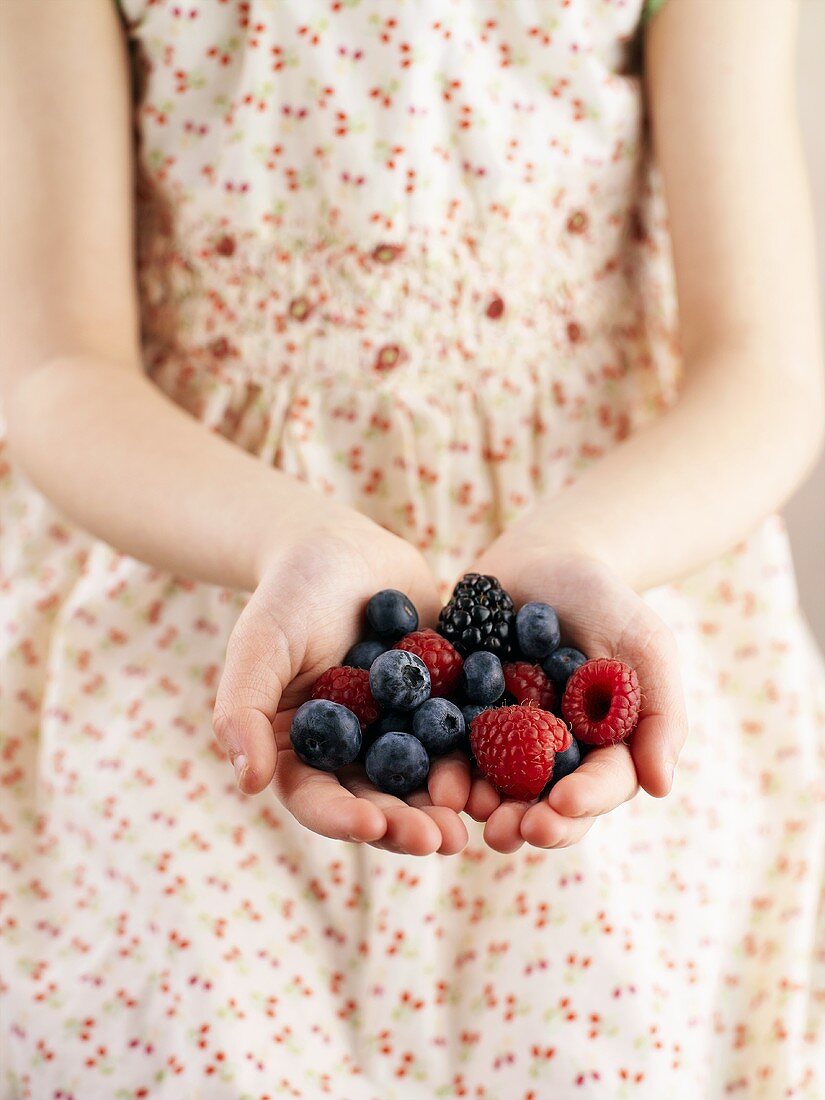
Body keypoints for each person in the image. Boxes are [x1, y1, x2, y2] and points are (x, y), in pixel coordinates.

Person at [1, 0, 823, 1096]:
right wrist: (286, 533)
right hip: (197, 575)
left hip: (622, 518)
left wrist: (585, 543)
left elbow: (764, 368)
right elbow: (59, 371)